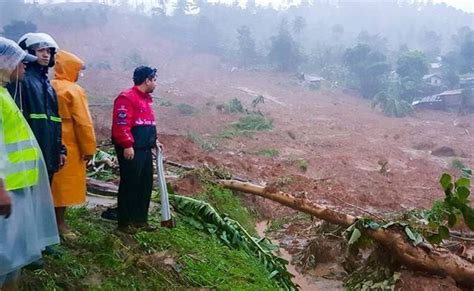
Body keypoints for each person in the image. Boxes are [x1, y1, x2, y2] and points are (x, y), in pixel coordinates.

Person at [0, 37, 59, 290]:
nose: (25, 66)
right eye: (21, 62)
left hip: (18, 185)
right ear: (5, 62)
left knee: (13, 254)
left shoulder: (4, 93)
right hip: (7, 190)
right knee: (6, 253)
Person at [7, 32, 67, 184]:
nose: (46, 55)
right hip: (27, 155)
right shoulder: (20, 81)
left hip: (48, 153)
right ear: (28, 52)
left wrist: (60, 150)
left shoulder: (48, 86)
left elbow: (55, 121)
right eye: (41, 51)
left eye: (49, 51)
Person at [51, 50, 96, 237]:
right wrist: (89, 149)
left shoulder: (49, 85)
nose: (79, 75)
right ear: (71, 69)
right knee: (63, 188)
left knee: (52, 185)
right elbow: (83, 122)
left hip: (51, 138)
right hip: (69, 143)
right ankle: (60, 225)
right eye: (78, 70)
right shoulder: (74, 90)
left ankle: (51, 223)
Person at [112, 66, 159, 234]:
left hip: (145, 149)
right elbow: (122, 124)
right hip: (132, 149)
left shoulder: (146, 100)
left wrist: (154, 141)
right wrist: (127, 145)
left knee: (145, 184)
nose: (155, 83)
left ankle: (140, 220)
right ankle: (124, 224)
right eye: (154, 80)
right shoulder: (127, 98)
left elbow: (147, 124)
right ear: (147, 80)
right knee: (130, 184)